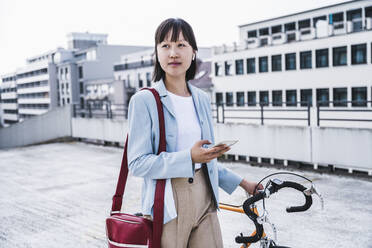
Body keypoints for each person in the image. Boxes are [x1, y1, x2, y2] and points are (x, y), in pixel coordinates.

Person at [127, 18, 263, 248]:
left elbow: (205, 158)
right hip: (168, 202)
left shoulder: (201, 98)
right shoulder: (145, 100)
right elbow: (138, 163)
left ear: (193, 53)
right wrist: (188, 157)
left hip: (205, 196)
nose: (173, 53)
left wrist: (244, 183)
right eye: (166, 45)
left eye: (181, 45)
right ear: (157, 54)